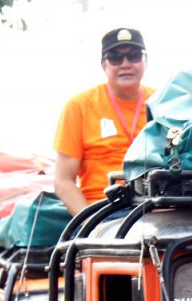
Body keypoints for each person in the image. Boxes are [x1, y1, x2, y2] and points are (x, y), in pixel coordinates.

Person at [53, 28, 155, 215]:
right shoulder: (80, 106)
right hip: (104, 212)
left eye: (133, 56)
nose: (125, 64)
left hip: (156, 209)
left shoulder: (162, 103)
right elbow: (63, 181)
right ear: (103, 65)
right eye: (115, 58)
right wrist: (87, 224)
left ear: (145, 61)